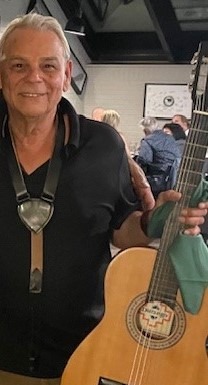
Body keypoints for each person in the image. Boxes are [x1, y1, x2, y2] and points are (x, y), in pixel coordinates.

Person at [0, 13, 207, 385]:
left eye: (47, 65)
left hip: (87, 354)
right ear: (1, 75)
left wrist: (150, 220)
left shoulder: (103, 145)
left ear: (66, 75)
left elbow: (121, 229)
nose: (34, 77)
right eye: (18, 65)